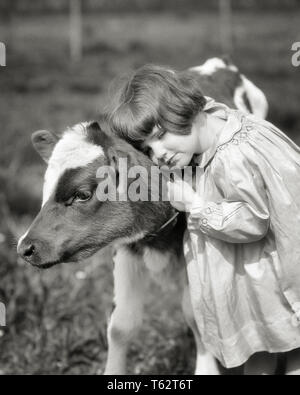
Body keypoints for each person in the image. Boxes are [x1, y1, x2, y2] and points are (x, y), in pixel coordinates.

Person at [108, 64, 300, 375]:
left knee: (291, 355)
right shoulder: (219, 127)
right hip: (261, 280)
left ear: (186, 109)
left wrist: (195, 204)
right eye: (147, 149)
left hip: (272, 281)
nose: (159, 153)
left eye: (160, 135)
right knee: (263, 353)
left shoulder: (232, 158)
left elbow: (252, 220)